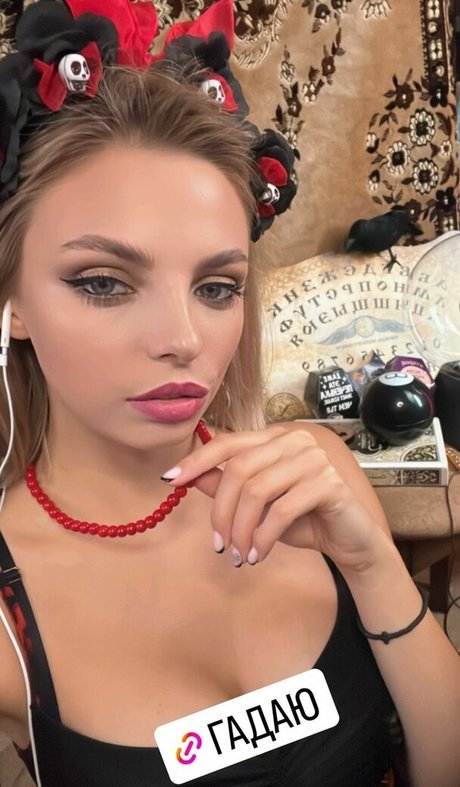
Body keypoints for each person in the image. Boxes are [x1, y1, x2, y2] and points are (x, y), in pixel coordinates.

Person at [0, 2, 459, 787]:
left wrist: (374, 566)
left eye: (216, 287)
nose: (181, 338)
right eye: (104, 282)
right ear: (11, 302)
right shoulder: (9, 618)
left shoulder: (314, 472)